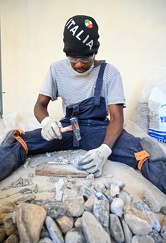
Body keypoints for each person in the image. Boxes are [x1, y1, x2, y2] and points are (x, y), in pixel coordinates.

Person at [0, 15, 166, 193]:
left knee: (140, 153)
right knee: (22, 143)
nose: (79, 64)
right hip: (68, 128)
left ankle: (155, 162)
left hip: (99, 130)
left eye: (85, 59)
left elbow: (117, 119)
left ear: (95, 52)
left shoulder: (110, 73)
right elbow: (40, 105)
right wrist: (46, 122)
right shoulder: (56, 69)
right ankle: (13, 144)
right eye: (73, 58)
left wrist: (104, 150)